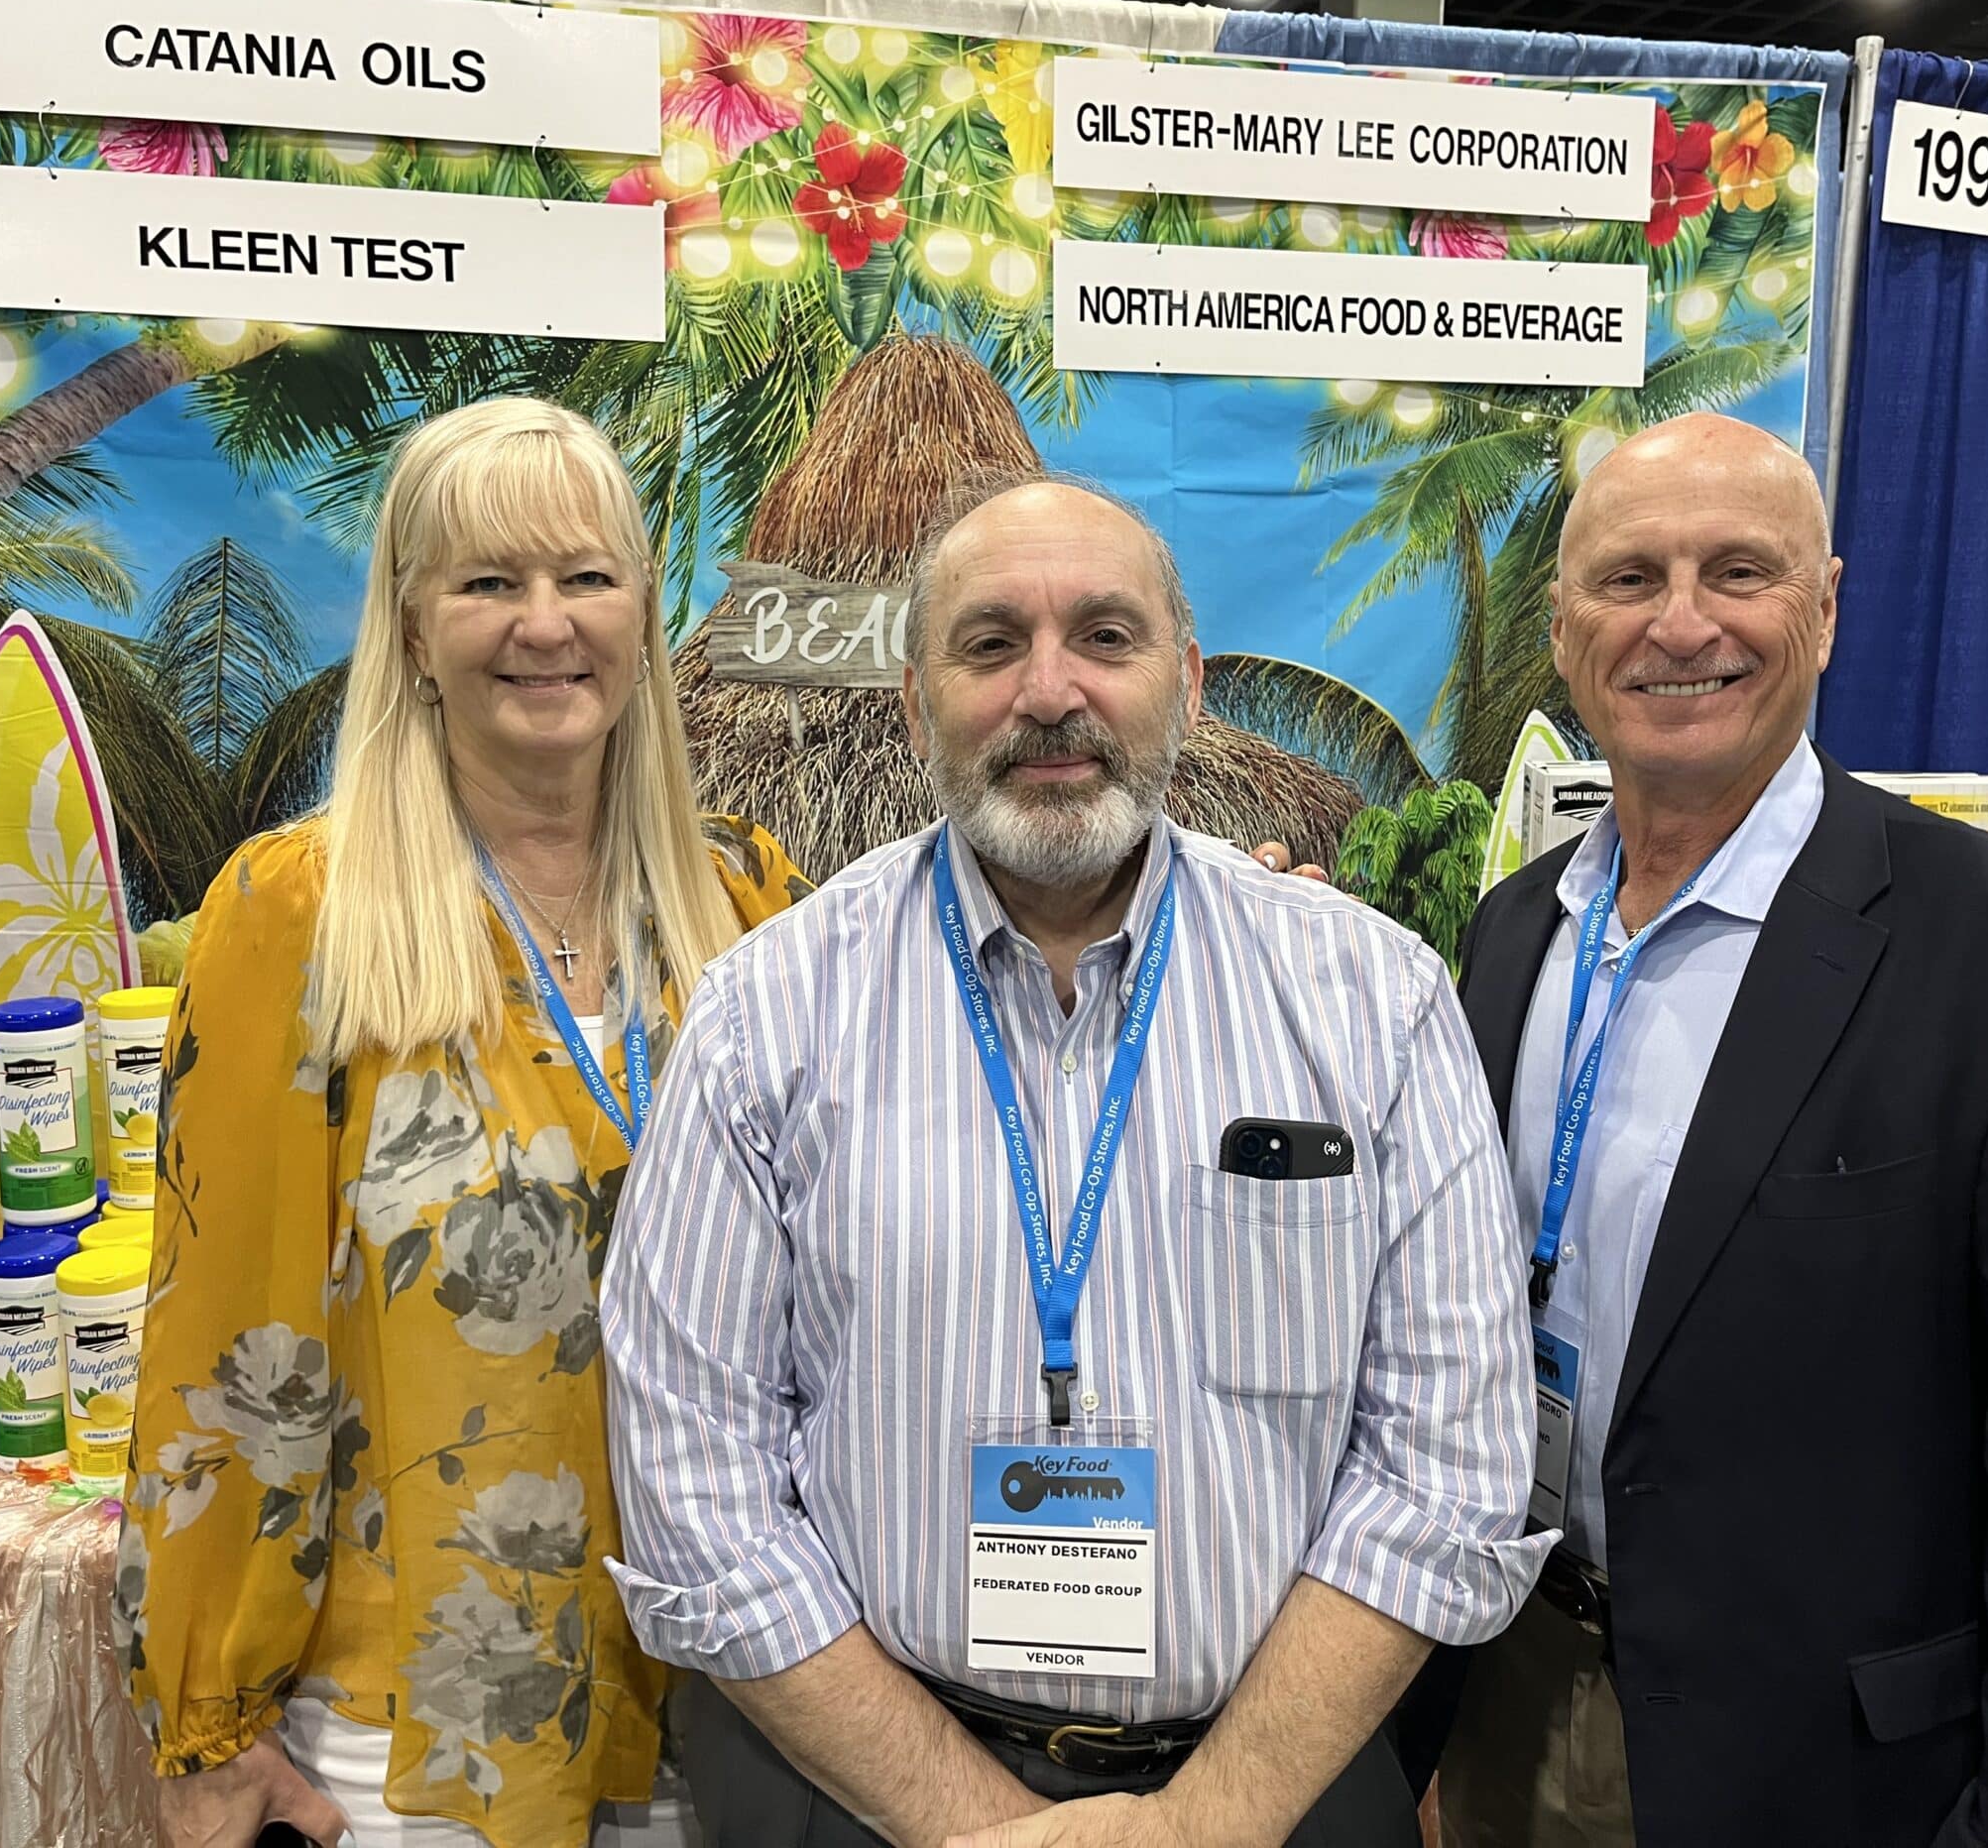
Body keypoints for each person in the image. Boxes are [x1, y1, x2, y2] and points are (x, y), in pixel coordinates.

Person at [598, 470, 1553, 1848]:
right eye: (991, 644)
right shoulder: (766, 1014)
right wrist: (969, 1820)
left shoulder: (1373, 1001)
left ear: (1189, 685)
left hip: (1274, 1789)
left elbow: (1445, 1466)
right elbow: (696, 1494)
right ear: (916, 703)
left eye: (1106, 636)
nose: (1049, 692)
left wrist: (1202, 1824)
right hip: (854, 1792)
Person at [1426, 413, 1988, 1846]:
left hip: (1828, 1779)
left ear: (1829, 606)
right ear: (1560, 629)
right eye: (1628, 578)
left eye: (1740, 571)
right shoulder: (1514, 931)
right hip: (1509, 1700)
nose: (1682, 624)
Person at [118, 398, 811, 1848]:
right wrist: (210, 1723)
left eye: (586, 578)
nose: (545, 625)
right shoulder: (300, 914)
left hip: (752, 1696)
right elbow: (231, 1347)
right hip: (429, 1724)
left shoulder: (751, 901)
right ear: (413, 628)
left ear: (643, 612)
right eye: (490, 582)